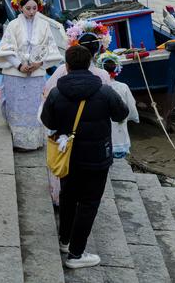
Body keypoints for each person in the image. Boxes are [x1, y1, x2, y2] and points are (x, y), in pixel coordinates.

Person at [40, 45, 130, 270]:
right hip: (97, 156)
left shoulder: (56, 92)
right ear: (90, 64)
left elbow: (48, 121)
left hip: (67, 154)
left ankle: (65, 240)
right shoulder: (105, 91)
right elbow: (122, 114)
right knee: (89, 203)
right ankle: (76, 254)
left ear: (67, 66)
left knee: (68, 196)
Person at [0, 0, 62, 150]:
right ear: (20, 8)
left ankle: (34, 141)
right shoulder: (13, 25)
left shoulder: (44, 26)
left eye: (34, 8)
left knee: (34, 107)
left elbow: (51, 48)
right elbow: (6, 48)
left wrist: (40, 64)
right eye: (28, 8)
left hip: (36, 73)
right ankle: (17, 141)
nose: (31, 12)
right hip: (15, 73)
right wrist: (19, 65)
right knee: (15, 105)